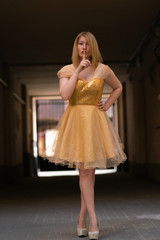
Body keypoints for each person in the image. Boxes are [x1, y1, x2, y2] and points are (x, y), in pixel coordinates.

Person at [44, 31, 127, 240]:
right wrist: (78, 70)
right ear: (76, 47)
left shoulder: (103, 69)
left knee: (87, 173)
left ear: (93, 48)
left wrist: (107, 104)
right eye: (80, 44)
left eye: (88, 45)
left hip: (94, 122)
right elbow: (65, 95)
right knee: (85, 173)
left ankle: (82, 219)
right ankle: (93, 218)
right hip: (76, 123)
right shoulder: (67, 70)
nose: (84, 48)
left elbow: (118, 87)